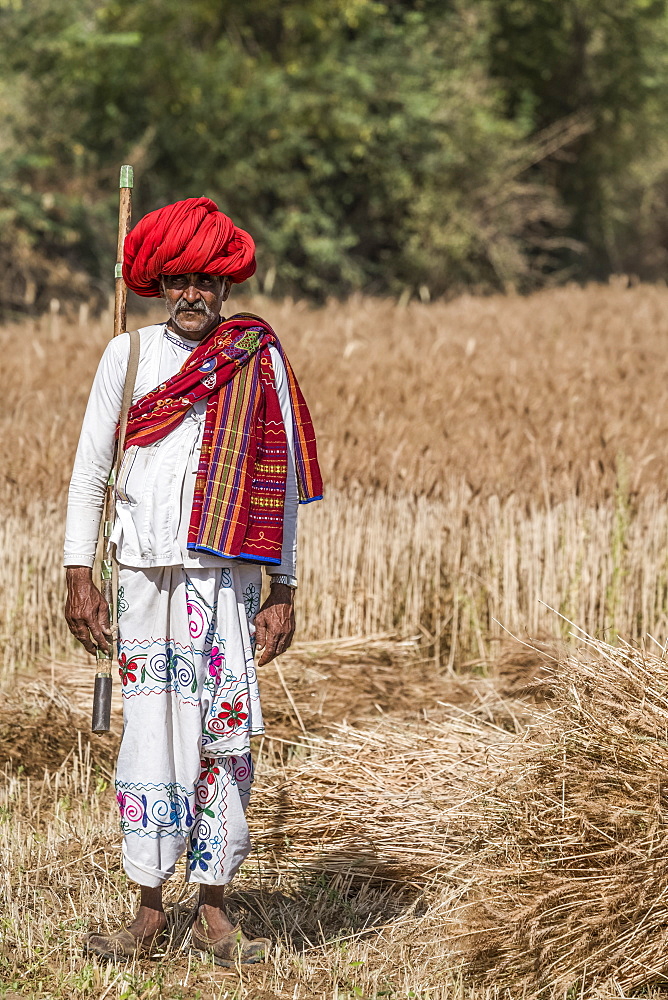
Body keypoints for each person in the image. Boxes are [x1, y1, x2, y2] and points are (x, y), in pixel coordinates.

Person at [63, 197, 322, 964]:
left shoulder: (256, 357)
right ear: (160, 281)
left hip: (229, 583)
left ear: (227, 285)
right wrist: (80, 572)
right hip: (142, 574)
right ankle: (147, 911)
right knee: (148, 733)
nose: (192, 294)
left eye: (207, 280)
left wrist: (285, 587)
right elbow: (90, 471)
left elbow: (277, 485)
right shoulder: (129, 356)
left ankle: (214, 911)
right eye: (179, 279)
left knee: (223, 738)